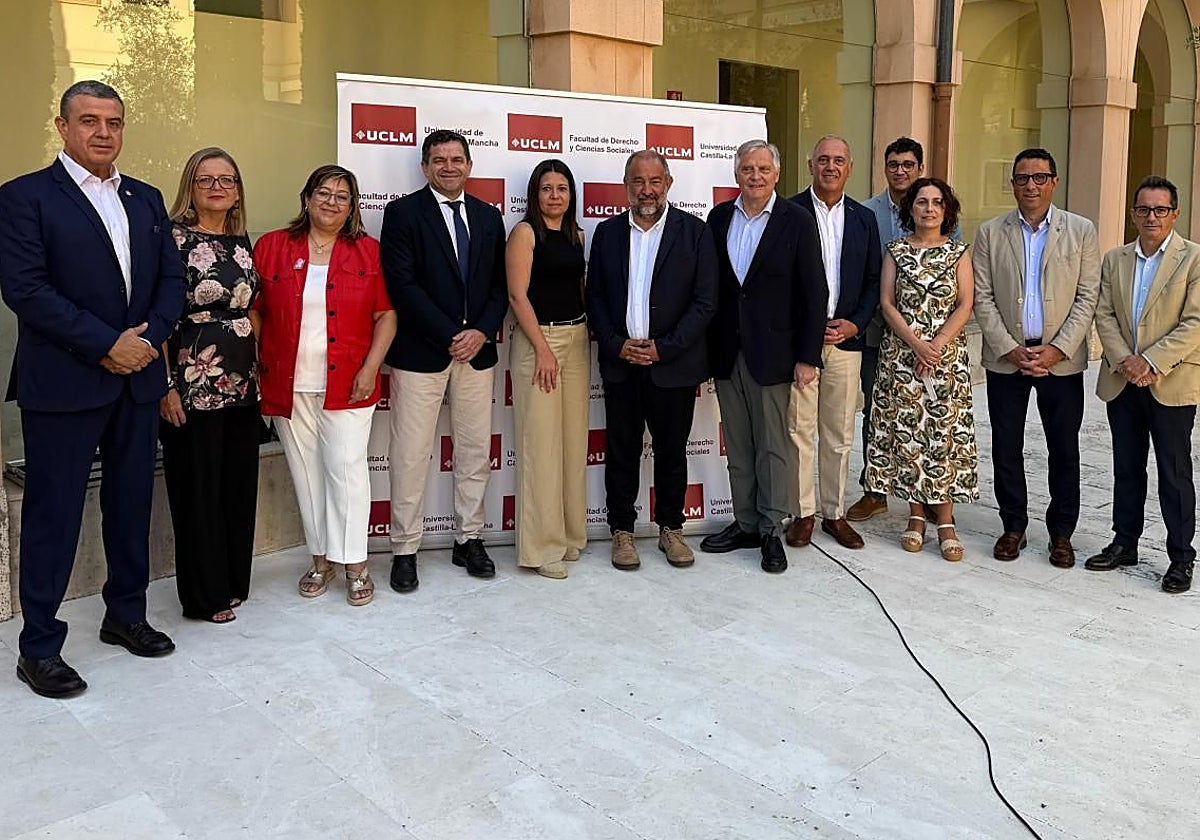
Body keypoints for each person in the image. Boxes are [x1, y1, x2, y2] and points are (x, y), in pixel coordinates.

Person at [0, 81, 185, 698]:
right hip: (65, 384)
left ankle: (125, 616)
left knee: (131, 504)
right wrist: (108, 344)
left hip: (136, 383)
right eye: (89, 121)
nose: (103, 132)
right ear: (62, 126)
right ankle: (39, 648)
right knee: (53, 516)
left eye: (113, 121)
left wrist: (146, 339)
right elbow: (26, 290)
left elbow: (170, 280)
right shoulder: (24, 198)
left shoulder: (147, 198)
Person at [251, 165, 396, 606]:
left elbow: (386, 315)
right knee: (307, 476)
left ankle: (355, 564)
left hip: (349, 383)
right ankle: (320, 560)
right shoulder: (273, 246)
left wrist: (371, 368)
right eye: (323, 192)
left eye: (342, 195)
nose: (331, 202)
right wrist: (267, 357)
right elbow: (255, 309)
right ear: (307, 197)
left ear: (352, 206)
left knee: (347, 472)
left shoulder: (368, 253)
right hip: (290, 385)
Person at [380, 130, 507, 593]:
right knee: (411, 455)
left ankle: (468, 537)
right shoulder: (402, 213)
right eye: (439, 160)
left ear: (469, 165)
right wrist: (451, 334)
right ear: (425, 167)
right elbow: (403, 284)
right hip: (420, 353)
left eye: (456, 159)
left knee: (475, 450)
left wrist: (480, 332)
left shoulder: (488, 217)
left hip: (477, 353)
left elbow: (500, 286)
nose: (448, 167)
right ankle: (405, 549)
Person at [586, 150, 718, 571]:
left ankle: (670, 529)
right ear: (626, 185)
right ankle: (622, 532)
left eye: (655, 181)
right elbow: (597, 298)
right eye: (638, 181)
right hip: (622, 363)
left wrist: (666, 347)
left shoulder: (695, 233)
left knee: (671, 451)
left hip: (672, 365)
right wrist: (614, 343)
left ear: (668, 184)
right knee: (621, 449)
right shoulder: (606, 233)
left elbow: (705, 301)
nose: (646, 190)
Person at [700, 139, 827, 573]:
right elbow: (712, 290)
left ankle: (772, 528)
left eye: (762, 169)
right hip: (726, 352)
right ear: (736, 174)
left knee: (774, 446)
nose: (755, 176)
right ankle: (747, 522)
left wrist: (808, 356)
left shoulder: (797, 220)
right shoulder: (719, 218)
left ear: (776, 174)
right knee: (738, 444)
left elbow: (815, 292)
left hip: (775, 354)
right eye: (747, 169)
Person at [972, 148, 1099, 568]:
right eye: (1023, 178)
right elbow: (983, 296)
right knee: (1006, 446)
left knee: (1063, 447)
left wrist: (1057, 349)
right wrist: (1009, 346)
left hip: (1060, 361)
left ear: (1054, 182)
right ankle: (1013, 526)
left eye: (1040, 178)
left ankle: (1062, 533)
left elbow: (1087, 296)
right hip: (1006, 357)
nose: (1031, 185)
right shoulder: (991, 233)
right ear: (1012, 184)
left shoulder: (1080, 231)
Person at [159, 147, 261, 623]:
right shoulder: (171, 239)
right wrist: (165, 386)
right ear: (191, 186)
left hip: (242, 381)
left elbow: (253, 309)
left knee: (238, 485)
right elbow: (156, 317)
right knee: (197, 488)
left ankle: (233, 581)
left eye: (227, 178)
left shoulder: (243, 242)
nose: (218, 187)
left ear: (238, 188)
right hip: (191, 381)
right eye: (206, 180)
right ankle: (204, 596)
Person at [1086, 175, 1200, 594]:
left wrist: (1150, 361)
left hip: (1170, 381)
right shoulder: (1116, 259)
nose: (1151, 217)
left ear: (1174, 213)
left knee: (1174, 473)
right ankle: (1124, 542)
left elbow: (1196, 323)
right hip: (1123, 381)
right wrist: (1124, 361)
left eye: (1160, 210)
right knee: (1126, 468)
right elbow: (1104, 314)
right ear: (1133, 213)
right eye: (1143, 209)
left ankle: (1180, 557)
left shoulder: (1194, 259)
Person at [864, 178, 978, 561]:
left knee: (943, 436)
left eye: (937, 203)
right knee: (909, 435)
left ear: (947, 210)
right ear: (909, 209)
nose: (929, 209)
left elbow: (966, 303)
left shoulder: (959, 252)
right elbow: (886, 302)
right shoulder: (895, 251)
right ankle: (915, 516)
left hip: (946, 359)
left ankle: (945, 520)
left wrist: (937, 346)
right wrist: (916, 344)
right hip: (902, 357)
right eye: (922, 202)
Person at [785, 136, 880, 550]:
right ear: (810, 164)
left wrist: (854, 325)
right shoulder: (787, 212)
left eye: (838, 160)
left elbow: (875, 281)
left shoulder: (864, 219)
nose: (830, 166)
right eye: (823, 159)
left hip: (845, 343)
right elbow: (777, 283)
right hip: (800, 344)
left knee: (839, 432)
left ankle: (833, 513)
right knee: (799, 430)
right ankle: (802, 512)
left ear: (850, 168)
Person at [852, 136, 947, 522]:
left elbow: (949, 272)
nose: (901, 171)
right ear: (884, 167)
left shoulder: (936, 208)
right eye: (894, 164)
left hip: (927, 340)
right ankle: (874, 489)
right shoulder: (866, 212)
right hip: (878, 332)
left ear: (919, 169)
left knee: (929, 414)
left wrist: (931, 339)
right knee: (877, 411)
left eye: (908, 164)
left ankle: (926, 491)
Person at [506, 160, 589, 579]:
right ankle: (541, 548)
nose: (554, 196)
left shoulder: (576, 235)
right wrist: (541, 349)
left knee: (573, 444)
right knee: (540, 447)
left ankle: (572, 535)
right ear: (534, 194)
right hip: (540, 342)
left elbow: (578, 290)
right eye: (546, 188)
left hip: (576, 340)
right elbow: (518, 296)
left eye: (562, 188)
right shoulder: (524, 234)